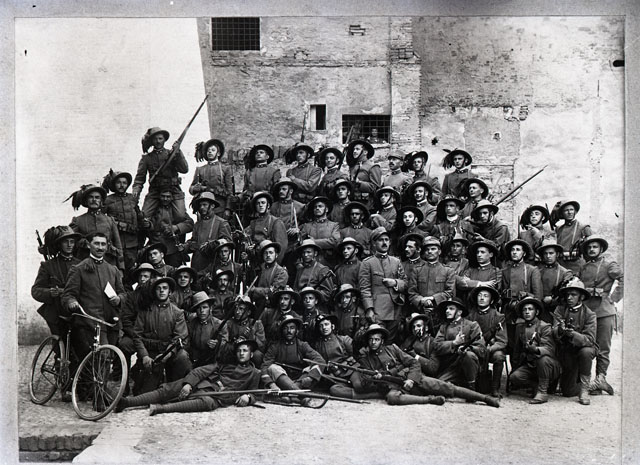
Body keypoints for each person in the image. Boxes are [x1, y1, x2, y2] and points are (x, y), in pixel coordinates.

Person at [349, 324, 498, 407]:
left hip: (412, 379)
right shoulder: (365, 358)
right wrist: (377, 378)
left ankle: (485, 398)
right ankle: (430, 400)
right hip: (393, 386)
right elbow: (367, 380)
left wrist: (411, 379)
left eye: (376, 339)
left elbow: (413, 362)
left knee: (447, 387)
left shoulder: (393, 348)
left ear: (382, 340)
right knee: (392, 399)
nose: (373, 342)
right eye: (371, 339)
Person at [117, 339, 261, 415]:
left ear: (251, 355)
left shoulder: (254, 373)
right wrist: (189, 384)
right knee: (168, 389)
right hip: (202, 384)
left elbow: (256, 393)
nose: (241, 353)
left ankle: (161, 409)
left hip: (217, 397)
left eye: (245, 351)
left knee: (206, 403)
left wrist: (248, 397)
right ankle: (127, 402)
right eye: (239, 351)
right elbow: (200, 371)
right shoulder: (225, 365)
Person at [62, 232, 126, 362]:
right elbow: (68, 295)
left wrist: (119, 299)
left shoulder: (113, 270)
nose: (100, 247)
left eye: (103, 244)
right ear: (88, 245)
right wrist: (72, 302)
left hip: (111, 322)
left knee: (110, 358)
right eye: (96, 243)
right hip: (90, 322)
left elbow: (123, 293)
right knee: (102, 357)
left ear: (107, 246)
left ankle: (102, 376)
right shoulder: (79, 269)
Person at [578, 235, 623, 396]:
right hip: (587, 312)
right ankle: (585, 382)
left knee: (603, 348)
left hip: (604, 311)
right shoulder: (584, 267)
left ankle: (600, 379)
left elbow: (625, 278)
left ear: (601, 249)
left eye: (595, 247)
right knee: (587, 346)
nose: (592, 250)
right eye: (589, 247)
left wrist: (614, 298)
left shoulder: (609, 265)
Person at [131, 277, 191, 394]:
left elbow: (180, 338)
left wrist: (167, 354)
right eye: (158, 288)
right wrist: (144, 356)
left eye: (165, 288)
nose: (162, 291)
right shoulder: (145, 311)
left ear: (170, 291)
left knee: (182, 357)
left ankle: (175, 384)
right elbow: (137, 336)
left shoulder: (177, 313)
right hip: (151, 354)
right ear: (154, 292)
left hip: (169, 353)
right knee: (144, 394)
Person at [260, 315, 326, 405]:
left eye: (292, 328)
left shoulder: (302, 345)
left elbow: (320, 361)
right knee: (273, 368)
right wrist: (272, 384)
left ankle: (289, 394)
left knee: (313, 367)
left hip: (300, 380)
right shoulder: (274, 347)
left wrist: (310, 377)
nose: (289, 331)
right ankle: (302, 397)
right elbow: (264, 367)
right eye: (285, 328)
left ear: (297, 330)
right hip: (281, 381)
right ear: (281, 330)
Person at [552, 278, 597, 405]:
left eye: (573, 295)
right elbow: (553, 331)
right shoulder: (560, 310)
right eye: (567, 295)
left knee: (586, 352)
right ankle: (590, 385)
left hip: (581, 351)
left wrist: (573, 334)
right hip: (565, 352)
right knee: (567, 391)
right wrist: (560, 330)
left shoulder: (590, 314)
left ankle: (585, 389)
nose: (569, 298)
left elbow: (590, 340)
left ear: (581, 297)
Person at [508, 297, 561, 404]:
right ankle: (536, 385)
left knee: (543, 359)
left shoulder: (545, 327)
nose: (527, 312)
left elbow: (549, 349)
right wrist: (514, 369)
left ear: (536, 312)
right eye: (524, 310)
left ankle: (543, 392)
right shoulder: (520, 327)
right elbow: (517, 350)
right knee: (515, 377)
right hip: (531, 365)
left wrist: (536, 349)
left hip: (548, 365)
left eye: (530, 309)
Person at [359, 227, 408, 341]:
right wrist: (369, 309)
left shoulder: (396, 261)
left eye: (386, 240)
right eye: (380, 240)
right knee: (377, 340)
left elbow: (405, 283)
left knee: (391, 341)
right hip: (377, 310)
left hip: (395, 309)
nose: (384, 242)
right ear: (374, 243)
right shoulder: (367, 263)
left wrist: (395, 282)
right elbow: (365, 288)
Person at [32, 226, 81, 337]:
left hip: (76, 310)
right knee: (60, 341)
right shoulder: (48, 266)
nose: (69, 245)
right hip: (56, 312)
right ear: (59, 244)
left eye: (72, 242)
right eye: (65, 242)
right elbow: (35, 290)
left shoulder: (81, 264)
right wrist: (50, 292)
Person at [118, 263, 160, 386]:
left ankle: (140, 372)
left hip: (153, 337)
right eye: (140, 276)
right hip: (135, 335)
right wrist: (136, 336)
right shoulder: (131, 297)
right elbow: (126, 320)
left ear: (152, 278)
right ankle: (124, 383)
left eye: (146, 276)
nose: (142, 279)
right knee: (124, 345)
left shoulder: (158, 295)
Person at [133, 127, 189, 218]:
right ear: (152, 141)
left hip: (173, 190)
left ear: (164, 140)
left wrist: (178, 152)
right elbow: (139, 179)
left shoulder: (172, 154)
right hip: (155, 191)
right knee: (145, 216)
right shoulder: (146, 158)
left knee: (180, 216)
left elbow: (184, 169)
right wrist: (136, 192)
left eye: (160, 138)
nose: (158, 141)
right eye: (155, 139)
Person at [434, 298, 486, 391]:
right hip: (451, 365)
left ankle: (471, 388)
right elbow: (437, 346)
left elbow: (481, 349)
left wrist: (468, 348)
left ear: (459, 312)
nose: (447, 311)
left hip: (469, 366)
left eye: (451, 308)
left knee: (468, 355)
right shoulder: (444, 327)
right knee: (438, 386)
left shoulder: (472, 325)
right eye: (447, 309)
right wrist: (454, 343)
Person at [407, 236, 455, 333]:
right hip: (421, 314)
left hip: (441, 314)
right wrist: (422, 301)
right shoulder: (417, 270)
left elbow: (450, 292)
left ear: (439, 252)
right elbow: (411, 293)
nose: (430, 252)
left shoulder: (448, 271)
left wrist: (432, 299)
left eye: (433, 249)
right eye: (427, 249)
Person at [68, 184, 124, 270]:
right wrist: (84, 242)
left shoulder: (109, 220)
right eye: (91, 197)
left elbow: (118, 246)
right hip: (86, 265)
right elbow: (71, 241)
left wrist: (121, 268)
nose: (94, 200)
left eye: (97, 197)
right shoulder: (78, 221)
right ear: (86, 200)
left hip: (108, 265)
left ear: (101, 201)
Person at [102, 170, 146, 277]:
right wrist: (118, 224)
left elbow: (139, 216)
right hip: (116, 242)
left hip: (132, 243)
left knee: (130, 272)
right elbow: (102, 219)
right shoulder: (108, 200)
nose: (122, 185)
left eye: (124, 183)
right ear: (114, 184)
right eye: (119, 182)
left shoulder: (132, 199)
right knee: (115, 271)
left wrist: (144, 223)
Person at [467, 285, 507, 397]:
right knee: (467, 355)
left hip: (490, 349)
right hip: (475, 348)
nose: (482, 298)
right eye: (479, 295)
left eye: (486, 296)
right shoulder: (470, 315)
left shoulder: (498, 317)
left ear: (491, 300)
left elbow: (502, 341)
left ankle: (495, 388)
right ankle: (471, 386)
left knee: (499, 356)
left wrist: (489, 348)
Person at [145, 188, 194, 267]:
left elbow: (190, 224)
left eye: (168, 197)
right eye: (163, 196)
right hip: (156, 246)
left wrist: (176, 227)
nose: (165, 199)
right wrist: (149, 225)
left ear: (172, 198)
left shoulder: (177, 211)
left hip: (172, 248)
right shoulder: (153, 209)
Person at [184, 192, 232, 271]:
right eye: (200, 205)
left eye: (204, 205)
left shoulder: (222, 223)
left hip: (214, 265)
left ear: (212, 206)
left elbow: (227, 243)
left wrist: (212, 244)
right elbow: (194, 242)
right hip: (197, 264)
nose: (202, 207)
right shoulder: (197, 224)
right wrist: (185, 247)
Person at [270, 176, 305, 276]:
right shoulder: (273, 207)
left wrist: (298, 230)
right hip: (277, 245)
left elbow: (306, 225)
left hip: (292, 246)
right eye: (280, 189)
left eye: (284, 189)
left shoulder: (300, 207)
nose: (281, 191)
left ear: (291, 191)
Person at [189, 138, 233, 219]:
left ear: (218, 153)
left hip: (220, 206)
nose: (210, 152)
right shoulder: (200, 169)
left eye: (213, 150)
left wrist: (228, 209)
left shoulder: (225, 169)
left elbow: (229, 191)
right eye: (208, 150)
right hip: (204, 207)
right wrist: (198, 188)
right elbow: (191, 189)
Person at [187, 291, 229, 368]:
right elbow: (187, 343)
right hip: (194, 360)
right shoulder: (191, 324)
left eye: (205, 307)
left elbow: (225, 346)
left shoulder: (219, 325)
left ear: (210, 308)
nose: (202, 311)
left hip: (213, 361)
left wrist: (217, 345)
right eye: (198, 308)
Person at [248, 240, 289, 316]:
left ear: (276, 255)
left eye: (271, 252)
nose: (268, 255)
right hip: (258, 307)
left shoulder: (281, 272)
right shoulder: (260, 269)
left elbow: (273, 292)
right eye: (265, 253)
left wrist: (255, 290)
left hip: (273, 309)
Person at [223, 295, 266, 367]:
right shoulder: (228, 324)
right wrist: (235, 343)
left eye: (241, 309)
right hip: (234, 352)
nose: (237, 312)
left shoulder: (257, 324)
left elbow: (262, 346)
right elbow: (223, 344)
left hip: (249, 354)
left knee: (257, 355)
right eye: (235, 308)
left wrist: (253, 337)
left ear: (248, 312)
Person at [246, 191, 288, 265]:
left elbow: (281, 247)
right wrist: (248, 247)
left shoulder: (276, 222)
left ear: (268, 205)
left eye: (263, 203)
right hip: (256, 262)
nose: (260, 205)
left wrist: (274, 265)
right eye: (258, 203)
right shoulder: (253, 223)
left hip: (270, 262)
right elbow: (246, 237)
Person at [536, 238, 573, 323]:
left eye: (551, 253)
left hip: (558, 310)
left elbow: (566, 294)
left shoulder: (565, 273)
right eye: (545, 253)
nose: (548, 256)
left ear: (557, 254)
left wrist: (553, 300)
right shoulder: (537, 271)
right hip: (540, 309)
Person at [292, 238, 336, 307]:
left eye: (309, 252)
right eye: (303, 252)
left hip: (317, 307)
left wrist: (314, 294)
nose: (305, 255)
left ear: (315, 253)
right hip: (301, 306)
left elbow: (328, 293)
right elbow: (295, 289)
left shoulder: (322, 269)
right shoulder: (300, 270)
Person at [299, 196, 341, 267]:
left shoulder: (334, 225)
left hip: (328, 263)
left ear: (326, 209)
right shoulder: (306, 226)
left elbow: (335, 241)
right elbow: (300, 243)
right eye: (315, 207)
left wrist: (313, 242)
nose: (317, 208)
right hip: (309, 264)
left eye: (320, 206)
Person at [554, 200, 593, 273]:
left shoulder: (584, 228)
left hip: (577, 266)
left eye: (571, 210)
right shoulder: (558, 229)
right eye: (566, 210)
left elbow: (591, 248)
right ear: (562, 213)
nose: (569, 212)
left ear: (575, 211)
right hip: (561, 266)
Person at [345, 139, 382, 210]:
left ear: (365, 152)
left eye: (357, 149)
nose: (354, 151)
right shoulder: (352, 167)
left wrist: (360, 183)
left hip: (367, 205)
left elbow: (376, 188)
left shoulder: (372, 167)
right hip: (353, 202)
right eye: (354, 149)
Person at [242, 144, 281, 211]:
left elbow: (277, 190)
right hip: (252, 203)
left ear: (267, 156)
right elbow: (246, 188)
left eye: (261, 152)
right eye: (257, 153)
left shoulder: (274, 171)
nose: (258, 154)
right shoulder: (249, 172)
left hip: (268, 203)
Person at [400, 313, 440, 378]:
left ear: (426, 328)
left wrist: (415, 356)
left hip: (422, 376)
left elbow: (433, 368)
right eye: (413, 327)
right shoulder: (409, 340)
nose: (415, 329)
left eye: (418, 326)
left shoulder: (433, 342)